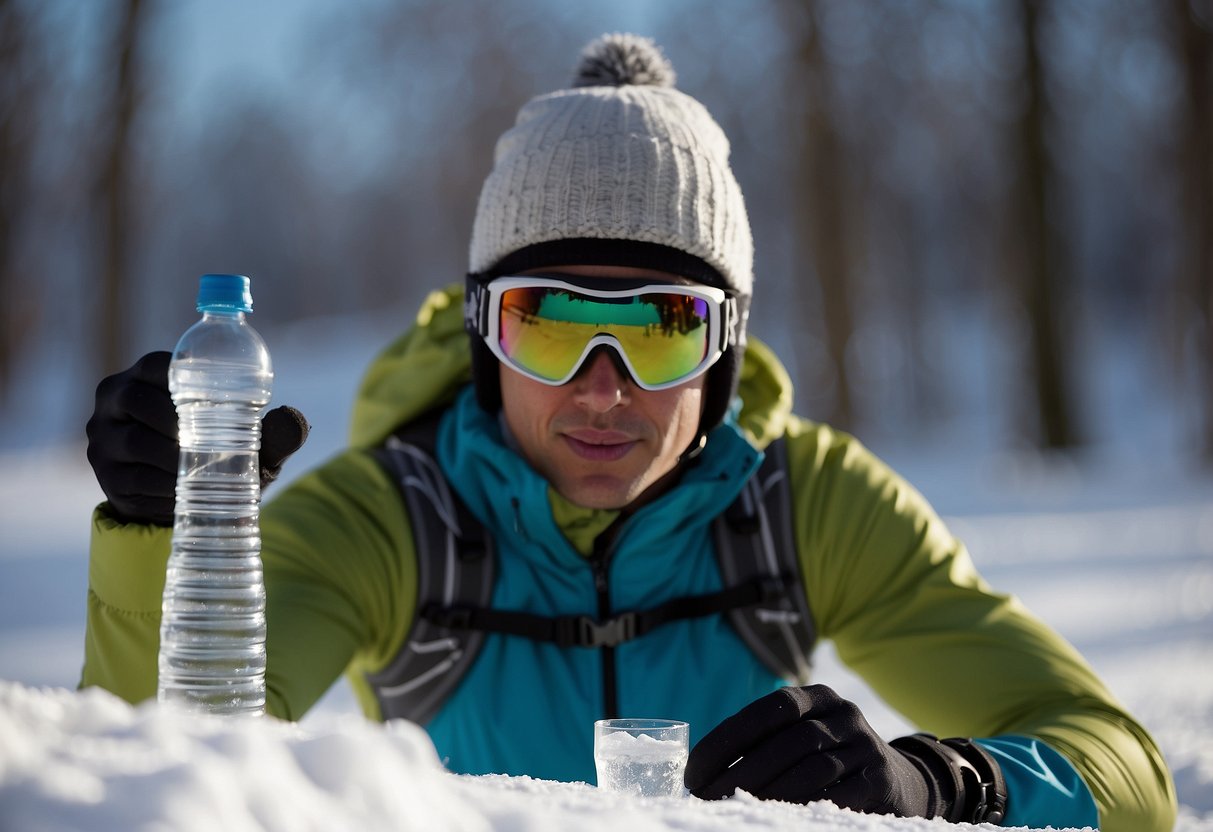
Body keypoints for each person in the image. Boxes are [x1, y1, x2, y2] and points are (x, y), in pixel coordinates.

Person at [82, 33, 1175, 831]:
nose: (602, 392)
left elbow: (1123, 765)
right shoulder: (391, 517)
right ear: (482, 340)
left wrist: (941, 783)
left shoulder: (805, 505)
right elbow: (164, 768)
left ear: (727, 350)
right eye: (547, 323)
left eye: (659, 330)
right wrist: (153, 544)